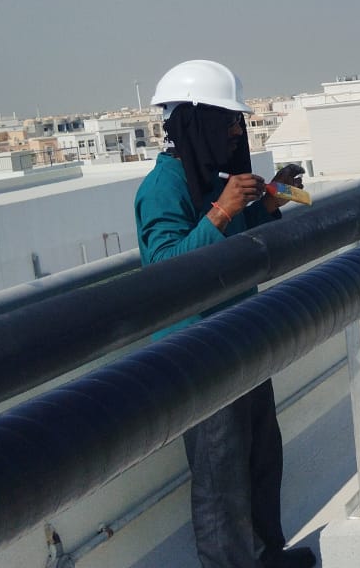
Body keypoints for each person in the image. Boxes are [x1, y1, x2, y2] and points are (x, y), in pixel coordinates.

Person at [134, 59, 314, 568]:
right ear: (196, 123)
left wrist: (269, 200)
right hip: (198, 352)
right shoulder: (163, 187)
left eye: (238, 122)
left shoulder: (208, 179)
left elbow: (231, 240)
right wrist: (222, 211)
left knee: (260, 456)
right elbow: (167, 270)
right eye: (228, 121)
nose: (237, 131)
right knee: (220, 475)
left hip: (240, 334)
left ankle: (267, 557)